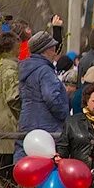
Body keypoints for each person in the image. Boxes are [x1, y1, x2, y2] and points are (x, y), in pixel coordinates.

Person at [16, 30, 68, 163]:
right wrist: (64, 115)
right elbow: (52, 98)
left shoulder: (26, 70)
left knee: (26, 163)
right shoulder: (45, 71)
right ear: (45, 50)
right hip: (46, 126)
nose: (54, 52)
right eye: (52, 49)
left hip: (27, 122)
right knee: (44, 166)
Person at [0, 31, 20, 178]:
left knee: (0, 164)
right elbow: (13, 97)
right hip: (8, 121)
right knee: (7, 168)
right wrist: (23, 114)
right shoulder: (10, 68)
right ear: (12, 47)